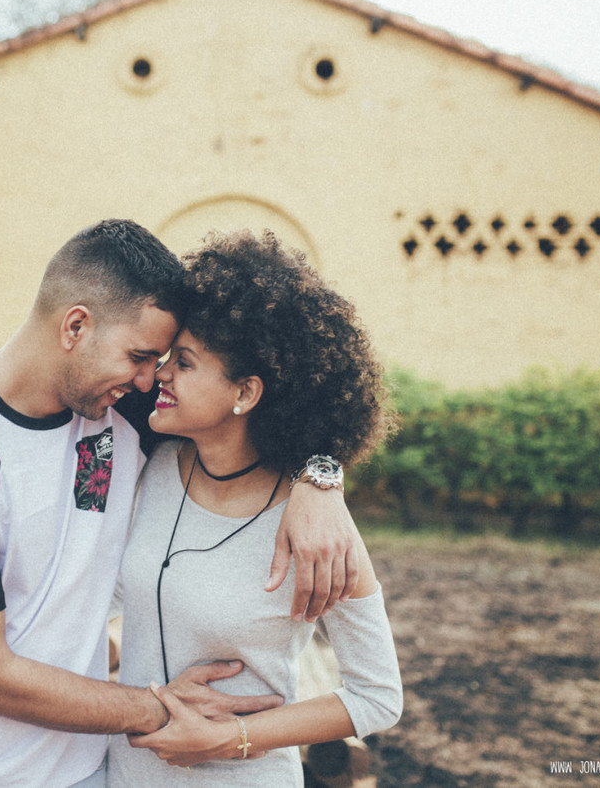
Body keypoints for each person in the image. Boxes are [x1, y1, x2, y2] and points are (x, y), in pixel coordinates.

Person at [0, 219, 366, 787]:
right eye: (139, 356)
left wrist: (320, 477)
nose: (151, 380)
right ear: (76, 326)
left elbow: (267, 402)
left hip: (78, 772)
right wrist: (161, 710)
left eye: (162, 360)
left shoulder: (120, 406)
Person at [107, 229, 403, 786]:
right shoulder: (152, 465)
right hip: (122, 776)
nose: (160, 374)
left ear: (245, 393)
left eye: (184, 363)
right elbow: (110, 601)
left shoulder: (314, 526)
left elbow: (378, 696)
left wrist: (232, 738)